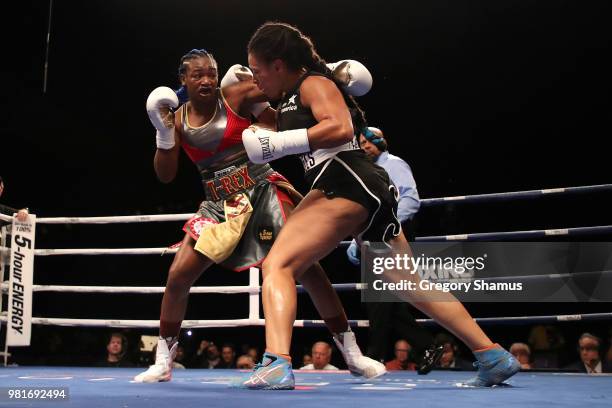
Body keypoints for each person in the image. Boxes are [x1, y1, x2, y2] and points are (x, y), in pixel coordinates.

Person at [238, 21, 519, 389]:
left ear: (278, 63)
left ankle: (276, 362)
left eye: (258, 70)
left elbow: (339, 128)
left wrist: (276, 144)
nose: (256, 80)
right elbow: (248, 100)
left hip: (345, 181)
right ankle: (492, 355)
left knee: (279, 264)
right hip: (363, 186)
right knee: (406, 281)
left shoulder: (313, 85)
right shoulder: (293, 95)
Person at [134, 49, 381, 383]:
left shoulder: (235, 93)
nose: (207, 79)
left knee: (309, 269)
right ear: (183, 80)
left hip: (263, 189)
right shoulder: (176, 119)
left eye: (211, 72)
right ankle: (163, 360)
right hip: (218, 204)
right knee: (179, 273)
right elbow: (165, 175)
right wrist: (162, 133)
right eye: (198, 75)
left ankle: (351, 353)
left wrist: (328, 72)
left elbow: (286, 85)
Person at [348, 127, 442, 374]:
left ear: (381, 142)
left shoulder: (394, 164)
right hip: (375, 239)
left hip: (393, 238)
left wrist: (386, 227)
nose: (365, 146)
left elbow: (411, 199)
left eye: (369, 142)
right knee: (383, 301)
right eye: (361, 143)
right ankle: (426, 347)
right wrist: (355, 240)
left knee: (380, 301)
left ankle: (374, 357)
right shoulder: (367, 171)